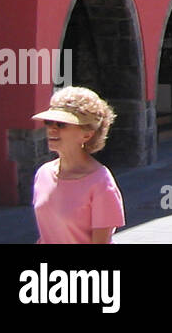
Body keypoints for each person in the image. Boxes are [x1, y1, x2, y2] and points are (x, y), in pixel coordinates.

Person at [31, 87, 125, 244]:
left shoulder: (100, 182)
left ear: (87, 134)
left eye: (61, 124)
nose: (52, 129)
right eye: (49, 122)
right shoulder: (43, 173)